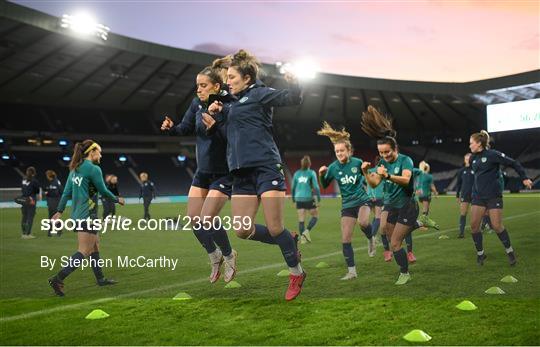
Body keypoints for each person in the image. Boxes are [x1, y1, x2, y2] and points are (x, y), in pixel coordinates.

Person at [207, 49, 304, 300]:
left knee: (274, 228)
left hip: (266, 168)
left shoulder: (260, 94)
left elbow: (292, 98)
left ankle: (296, 272)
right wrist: (216, 116)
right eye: (227, 77)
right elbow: (227, 130)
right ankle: (289, 240)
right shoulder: (229, 103)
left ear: (247, 78)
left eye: (232, 77)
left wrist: (295, 83)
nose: (227, 81)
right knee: (241, 230)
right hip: (240, 173)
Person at [161, 62, 237, 283]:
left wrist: (215, 125)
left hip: (223, 172)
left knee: (207, 218)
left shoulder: (229, 104)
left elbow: (234, 138)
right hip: (202, 172)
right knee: (194, 219)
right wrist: (171, 128)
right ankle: (214, 256)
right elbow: (185, 128)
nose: (199, 89)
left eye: (203, 85)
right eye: (197, 86)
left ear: (216, 86)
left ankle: (230, 255)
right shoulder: (196, 104)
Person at [361, 106, 430, 285]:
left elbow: (406, 180)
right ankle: (419, 223)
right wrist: (365, 173)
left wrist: (388, 175)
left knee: (396, 243)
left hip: (407, 205)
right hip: (390, 204)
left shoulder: (405, 160)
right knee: (385, 232)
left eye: (387, 152)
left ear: (395, 148)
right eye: (381, 153)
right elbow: (374, 183)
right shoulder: (382, 162)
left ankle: (404, 272)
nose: (384, 155)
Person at [48, 140, 125, 296]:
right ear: (92, 152)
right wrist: (118, 199)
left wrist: (59, 211)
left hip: (78, 215)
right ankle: (58, 278)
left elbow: (66, 193)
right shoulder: (94, 169)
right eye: (99, 151)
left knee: (95, 245)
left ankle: (101, 279)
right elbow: (103, 191)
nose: (101, 154)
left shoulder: (74, 169)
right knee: (84, 250)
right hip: (88, 215)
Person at [318, 122, 375, 280]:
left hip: (362, 201)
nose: (339, 153)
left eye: (342, 150)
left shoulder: (357, 163)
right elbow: (324, 185)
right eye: (337, 151)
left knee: (363, 223)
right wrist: (321, 174)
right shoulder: (333, 167)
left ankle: (371, 238)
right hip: (347, 205)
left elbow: (370, 180)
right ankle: (352, 272)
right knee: (345, 239)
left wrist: (366, 170)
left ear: (349, 151)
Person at [468, 130, 532, 266]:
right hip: (478, 197)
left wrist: (524, 178)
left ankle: (510, 252)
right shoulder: (472, 158)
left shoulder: (493, 155)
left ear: (479, 143)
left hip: (493, 196)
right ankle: (480, 254)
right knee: (474, 226)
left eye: (471, 143)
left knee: (497, 226)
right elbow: (477, 178)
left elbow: (514, 163)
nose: (470, 146)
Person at [291, 155, 321, 244]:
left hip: (298, 198)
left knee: (301, 219)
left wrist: (293, 200)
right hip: (308, 198)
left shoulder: (296, 173)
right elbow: (316, 187)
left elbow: (292, 188)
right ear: (309, 164)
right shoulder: (311, 173)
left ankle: (303, 239)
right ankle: (307, 231)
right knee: (315, 216)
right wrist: (318, 199)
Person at [455, 153, 474, 238]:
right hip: (465, 194)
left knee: (474, 214)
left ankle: (475, 230)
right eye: (466, 158)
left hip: (475, 195)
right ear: (464, 160)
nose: (467, 160)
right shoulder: (461, 171)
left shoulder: (476, 169)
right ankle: (461, 232)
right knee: (463, 213)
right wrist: (457, 195)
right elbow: (458, 184)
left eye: (469, 158)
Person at [20, 166, 40, 239]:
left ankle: (23, 233)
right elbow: (37, 191)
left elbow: (22, 190)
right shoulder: (34, 181)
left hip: (23, 199)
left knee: (24, 217)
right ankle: (28, 234)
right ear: (34, 173)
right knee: (30, 217)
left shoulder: (23, 180)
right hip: (31, 200)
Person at [44, 170, 63, 237]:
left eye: (47, 175)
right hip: (53, 202)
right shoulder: (53, 182)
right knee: (52, 217)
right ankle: (52, 231)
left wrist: (48, 193)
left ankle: (56, 231)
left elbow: (57, 192)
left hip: (55, 202)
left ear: (49, 176)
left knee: (54, 217)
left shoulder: (55, 182)